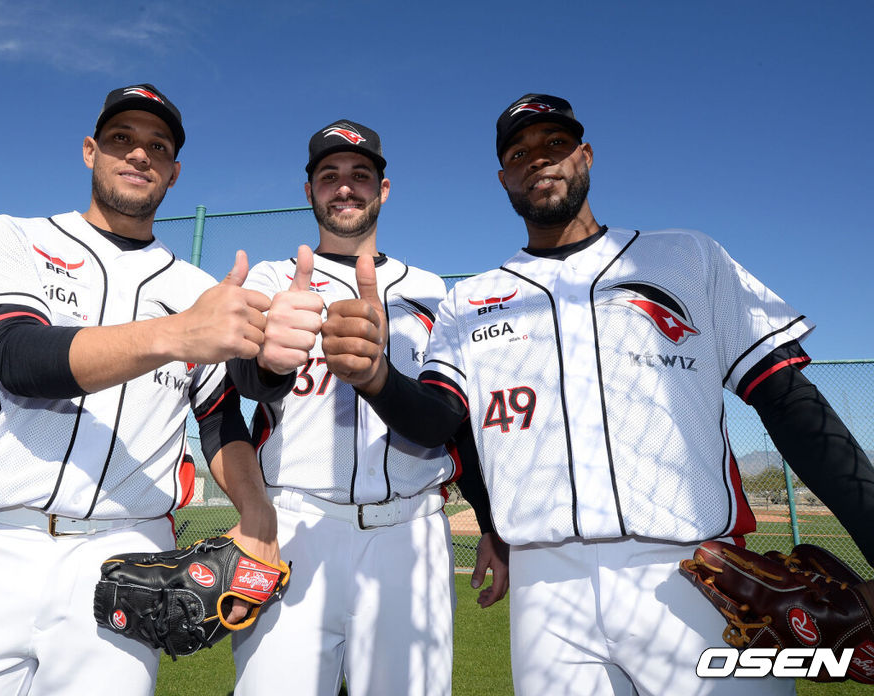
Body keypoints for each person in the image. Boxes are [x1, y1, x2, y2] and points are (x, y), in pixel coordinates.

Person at [321, 94, 874, 695]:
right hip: (545, 587)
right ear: (503, 177)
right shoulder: (471, 298)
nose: (539, 160)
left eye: (555, 145)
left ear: (585, 156)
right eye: (519, 152)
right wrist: (375, 377)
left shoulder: (686, 256)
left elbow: (790, 404)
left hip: (692, 572)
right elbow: (435, 424)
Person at [0, 84, 281, 696]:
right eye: (121, 139)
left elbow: (219, 419)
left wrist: (258, 515)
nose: (138, 154)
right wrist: (179, 333)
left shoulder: (195, 287)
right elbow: (18, 358)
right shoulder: (13, 238)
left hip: (125, 558)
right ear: (90, 151)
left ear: (174, 173)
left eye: (158, 146)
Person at [225, 119, 508, 696]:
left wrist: (489, 522)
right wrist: (272, 361)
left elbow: (455, 423)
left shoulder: (431, 291)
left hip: (410, 531)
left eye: (361, 175)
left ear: (384, 189)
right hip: (296, 525)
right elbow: (242, 384)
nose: (345, 187)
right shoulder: (275, 278)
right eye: (329, 176)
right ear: (309, 192)